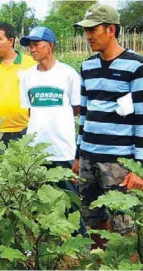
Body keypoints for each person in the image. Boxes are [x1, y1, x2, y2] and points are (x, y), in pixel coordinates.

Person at [72, 4, 143, 248]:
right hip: (89, 158)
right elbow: (85, 114)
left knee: (124, 227)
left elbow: (141, 120)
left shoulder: (136, 66)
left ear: (111, 30)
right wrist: (78, 154)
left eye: (93, 30)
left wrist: (139, 167)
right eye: (86, 30)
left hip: (119, 162)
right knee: (93, 219)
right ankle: (100, 262)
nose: (88, 36)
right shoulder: (87, 66)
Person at [19, 26, 86, 235]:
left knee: (71, 197)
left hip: (63, 147)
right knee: (39, 199)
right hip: (36, 149)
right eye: (30, 45)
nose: (32, 49)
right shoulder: (26, 76)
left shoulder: (68, 74)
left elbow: (76, 108)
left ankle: (78, 242)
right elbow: (29, 110)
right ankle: (46, 241)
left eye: (37, 44)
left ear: (50, 46)